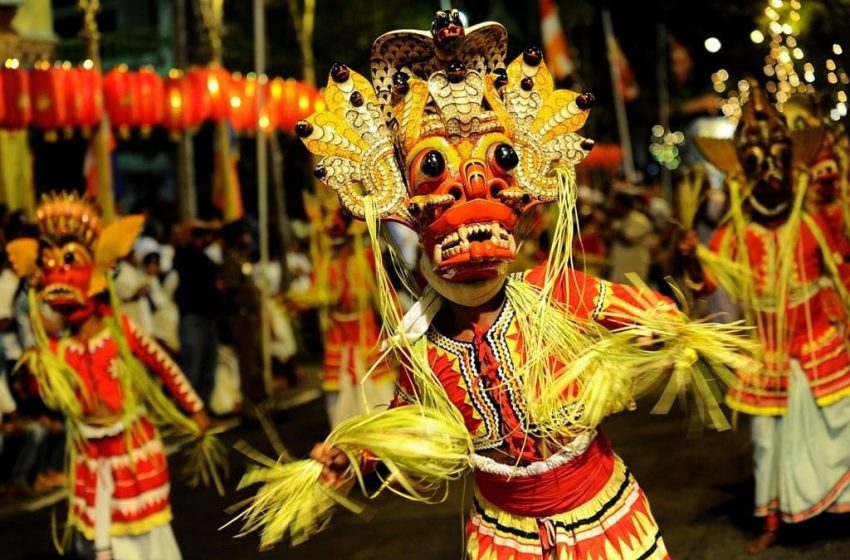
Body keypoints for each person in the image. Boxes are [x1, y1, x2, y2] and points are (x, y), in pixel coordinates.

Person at [239, 12, 753, 557]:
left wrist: (660, 339)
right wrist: (352, 454)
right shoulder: (427, 346)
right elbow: (407, 419)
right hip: (505, 538)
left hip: (606, 524)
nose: (471, 191)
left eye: (495, 166)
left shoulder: (555, 292)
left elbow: (661, 316)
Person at [684, 81, 850, 554]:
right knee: (765, 443)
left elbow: (839, 267)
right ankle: (772, 518)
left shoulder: (813, 220)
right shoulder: (735, 233)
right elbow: (712, 285)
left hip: (819, 341)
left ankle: (834, 505)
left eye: (779, 163)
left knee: (839, 425)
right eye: (758, 166)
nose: (771, 176)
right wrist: (693, 261)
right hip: (769, 355)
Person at [5, 193, 215, 559]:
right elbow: (45, 395)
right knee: (99, 544)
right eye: (49, 265)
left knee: (145, 536)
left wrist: (194, 408)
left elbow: (163, 365)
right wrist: (35, 374)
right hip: (89, 454)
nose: (57, 274)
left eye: (69, 261)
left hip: (130, 451)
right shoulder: (56, 351)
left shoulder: (119, 330)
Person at [219, 219, 266, 412]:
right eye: (243, 234)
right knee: (247, 365)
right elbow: (229, 290)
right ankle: (250, 409)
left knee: (256, 363)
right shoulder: (231, 261)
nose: (247, 238)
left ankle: (261, 406)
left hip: (250, 318)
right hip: (241, 319)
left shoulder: (241, 258)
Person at [172, 221, 221, 406]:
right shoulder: (183, 256)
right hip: (193, 318)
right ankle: (186, 410)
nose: (203, 239)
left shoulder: (205, 257)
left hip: (208, 317)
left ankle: (203, 409)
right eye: (199, 235)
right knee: (192, 367)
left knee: (208, 368)